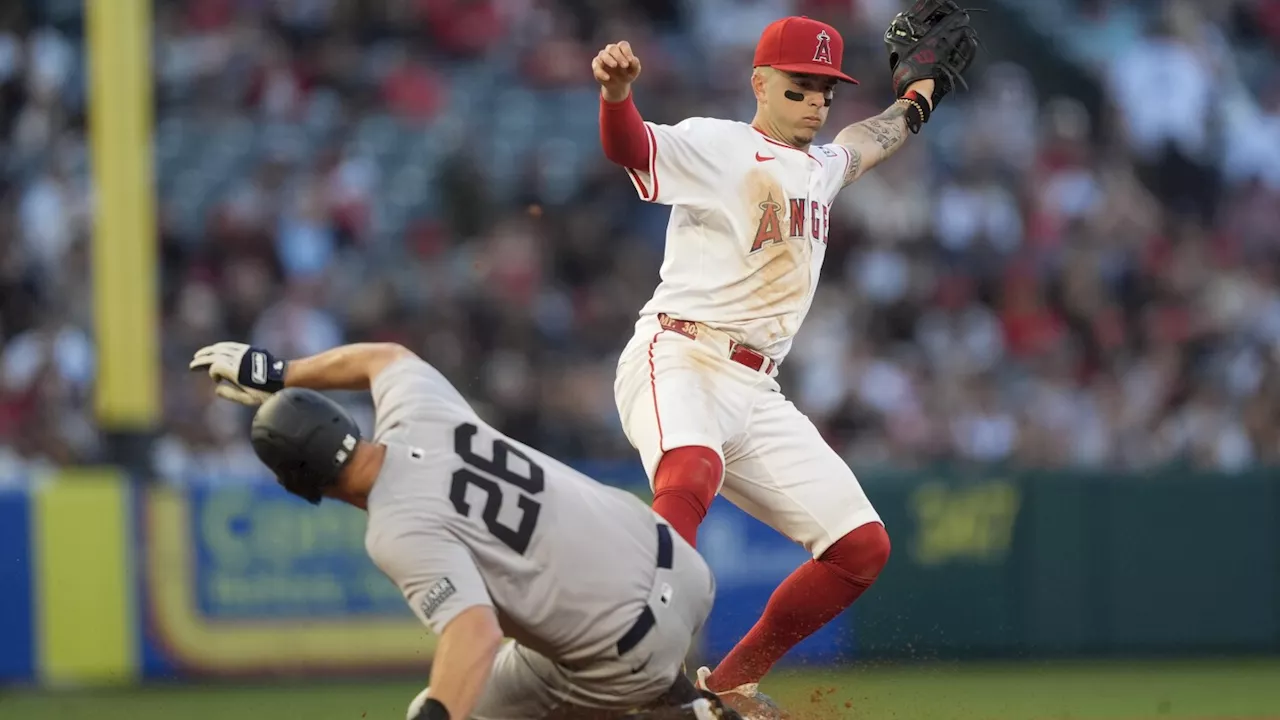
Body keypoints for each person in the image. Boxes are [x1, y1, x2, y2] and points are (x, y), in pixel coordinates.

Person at [593, 14, 970, 717]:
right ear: (760, 83)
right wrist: (617, 96)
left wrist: (919, 98)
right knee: (691, 472)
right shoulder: (718, 143)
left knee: (860, 547)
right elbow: (630, 147)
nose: (816, 102)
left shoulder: (819, 167)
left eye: (826, 90)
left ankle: (726, 683)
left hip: (756, 387)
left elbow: (866, 141)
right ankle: (642, 678)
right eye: (801, 88)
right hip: (680, 352)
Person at [189, 341, 740, 720]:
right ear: (344, 421)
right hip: (685, 570)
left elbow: (473, 633)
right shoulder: (420, 412)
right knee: (557, 659)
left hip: (627, 651)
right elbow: (386, 358)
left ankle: (680, 709)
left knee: (470, 708)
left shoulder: (396, 528)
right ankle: (686, 704)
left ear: (300, 485)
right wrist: (277, 372)